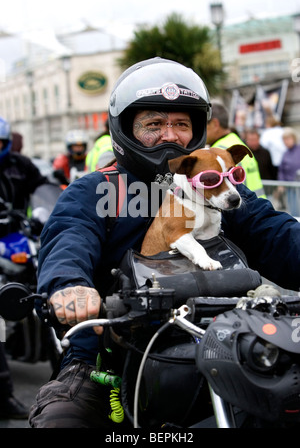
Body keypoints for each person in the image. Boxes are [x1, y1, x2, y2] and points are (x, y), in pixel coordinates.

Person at [29, 58, 300, 429]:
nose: (170, 135)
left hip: (220, 343)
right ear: (126, 129)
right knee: (64, 418)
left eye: (181, 124)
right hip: (112, 349)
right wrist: (69, 285)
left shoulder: (220, 189)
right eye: (154, 124)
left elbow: (274, 231)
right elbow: (68, 237)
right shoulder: (94, 189)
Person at [0, 116, 48, 419]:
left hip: (17, 235)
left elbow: (43, 188)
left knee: (40, 272)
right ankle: (3, 394)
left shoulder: (20, 164)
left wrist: (46, 208)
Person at [206, 101, 265, 197]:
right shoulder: (235, 141)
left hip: (244, 208)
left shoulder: (219, 152)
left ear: (214, 124)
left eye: (202, 125)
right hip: (257, 206)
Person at [277, 127, 300, 217]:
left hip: (298, 185)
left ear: (293, 138)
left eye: (288, 139)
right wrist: (281, 183)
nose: (286, 141)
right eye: (284, 139)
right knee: (294, 210)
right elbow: (281, 170)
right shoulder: (285, 153)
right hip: (290, 187)